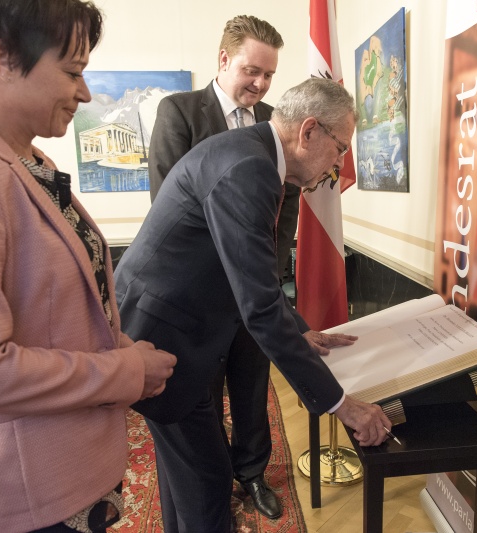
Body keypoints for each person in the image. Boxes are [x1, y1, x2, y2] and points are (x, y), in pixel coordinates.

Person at [0, 1, 177, 531]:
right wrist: (125, 370)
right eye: (72, 72)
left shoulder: (31, 161)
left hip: (70, 467)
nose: (85, 92)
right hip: (20, 492)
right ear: (1, 57)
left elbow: (60, 309)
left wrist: (120, 348)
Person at [114, 77, 393, 532]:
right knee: (207, 482)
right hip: (166, 339)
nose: (339, 165)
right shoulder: (251, 167)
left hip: (170, 327)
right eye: (340, 148)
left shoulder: (251, 154)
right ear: (309, 132)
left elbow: (249, 275)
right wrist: (343, 405)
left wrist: (298, 329)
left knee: (187, 477)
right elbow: (260, 304)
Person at [146, 14, 294, 519]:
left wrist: (268, 279)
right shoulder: (181, 112)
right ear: (224, 59)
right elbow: (166, 201)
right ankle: (205, 485)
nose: (261, 83)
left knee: (253, 391)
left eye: (270, 74)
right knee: (200, 399)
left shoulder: (276, 119)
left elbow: (285, 207)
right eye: (253, 70)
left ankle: (251, 475)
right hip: (200, 300)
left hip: (254, 291)